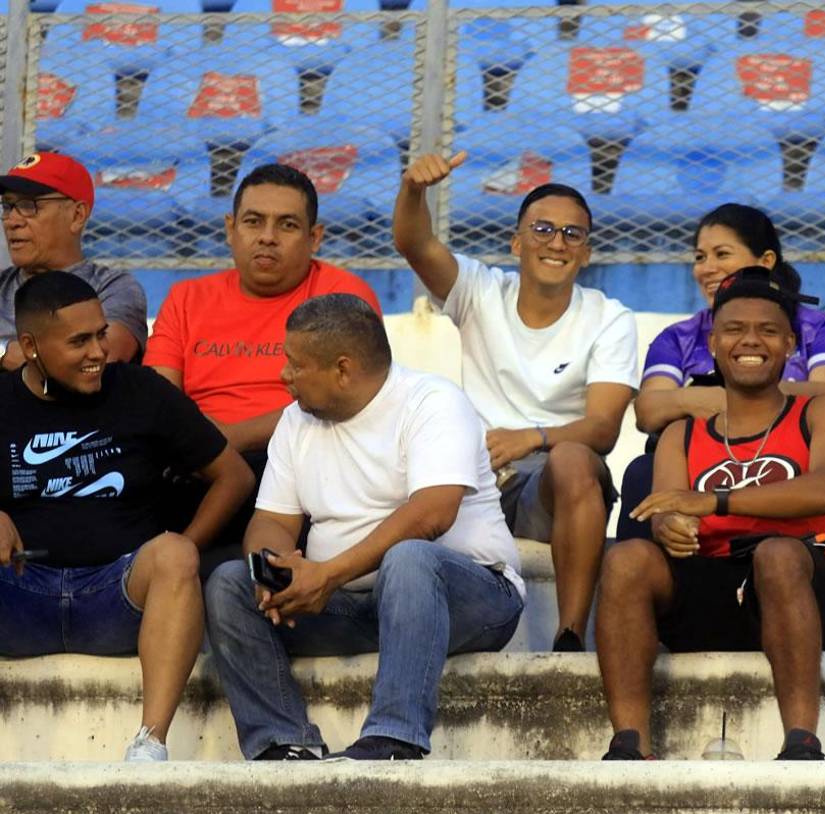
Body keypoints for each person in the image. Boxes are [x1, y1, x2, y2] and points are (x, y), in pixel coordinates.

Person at [205, 294, 524, 761]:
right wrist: (276, 570)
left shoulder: (432, 402)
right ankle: (282, 744)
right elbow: (272, 519)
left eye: (295, 365)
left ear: (343, 369)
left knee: (410, 557)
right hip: (358, 606)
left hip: (471, 602)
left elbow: (432, 514)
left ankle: (395, 738)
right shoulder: (297, 421)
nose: (283, 376)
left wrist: (327, 573)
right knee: (231, 582)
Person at [596, 266, 825, 761]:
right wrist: (671, 527)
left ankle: (802, 743)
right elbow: (666, 510)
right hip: (716, 591)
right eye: (735, 329)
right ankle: (629, 745)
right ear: (715, 344)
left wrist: (716, 502)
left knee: (778, 554)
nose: (750, 341)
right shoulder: (683, 434)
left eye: (767, 330)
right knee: (627, 559)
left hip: (807, 592)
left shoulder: (823, 412)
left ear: (789, 345)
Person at [0, 271, 254, 761]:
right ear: (29, 346)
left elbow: (234, 477)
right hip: (20, 597)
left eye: (100, 333)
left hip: (117, 599)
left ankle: (149, 747)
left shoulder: (139, 390)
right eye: (79, 341)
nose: (99, 351)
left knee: (175, 554)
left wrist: (186, 550)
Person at [393, 150, 638, 652]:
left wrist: (534, 437)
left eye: (573, 234)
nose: (557, 242)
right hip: (477, 479)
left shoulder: (610, 318)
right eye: (543, 229)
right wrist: (414, 190)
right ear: (517, 241)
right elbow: (414, 243)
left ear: (587, 252)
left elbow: (604, 429)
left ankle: (569, 635)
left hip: (551, 487)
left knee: (573, 458)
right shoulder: (481, 290)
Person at [145, 164, 382, 573]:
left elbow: (350, 397)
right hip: (198, 465)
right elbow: (159, 395)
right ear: (230, 228)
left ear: (315, 238)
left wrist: (232, 437)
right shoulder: (186, 298)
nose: (267, 237)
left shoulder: (342, 297)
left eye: (287, 225)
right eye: (254, 221)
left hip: (300, 460)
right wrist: (205, 445)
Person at [617, 203, 825, 540]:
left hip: (786, 458)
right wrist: (710, 398)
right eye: (700, 257)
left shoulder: (820, 328)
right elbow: (648, 410)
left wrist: (738, 400)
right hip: (696, 465)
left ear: (766, 262)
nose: (707, 268)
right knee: (644, 473)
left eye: (722, 254)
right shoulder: (679, 336)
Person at [0, 152, 147, 369]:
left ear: (77, 215)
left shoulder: (112, 287)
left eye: (29, 205)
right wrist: (6, 352)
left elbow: (94, 362)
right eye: (7, 206)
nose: (12, 221)